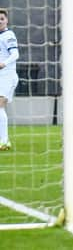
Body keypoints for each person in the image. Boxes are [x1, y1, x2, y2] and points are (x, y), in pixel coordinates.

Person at [0, 9, 19, 151]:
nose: (0, 21)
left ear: (6, 21)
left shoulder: (8, 35)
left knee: (0, 106)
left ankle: (4, 141)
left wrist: (3, 63)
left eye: (2, 19)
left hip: (7, 75)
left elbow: (15, 54)